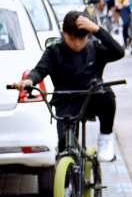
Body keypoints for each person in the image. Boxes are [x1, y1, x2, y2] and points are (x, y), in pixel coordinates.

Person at [12, 11, 124, 162]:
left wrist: (97, 29)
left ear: (88, 36)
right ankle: (67, 176)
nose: (77, 44)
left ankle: (105, 139)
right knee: (65, 148)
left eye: (82, 39)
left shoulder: (94, 48)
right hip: (66, 103)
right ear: (64, 33)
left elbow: (119, 52)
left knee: (107, 95)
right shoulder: (54, 51)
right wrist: (29, 81)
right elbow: (39, 70)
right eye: (72, 38)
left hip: (91, 99)